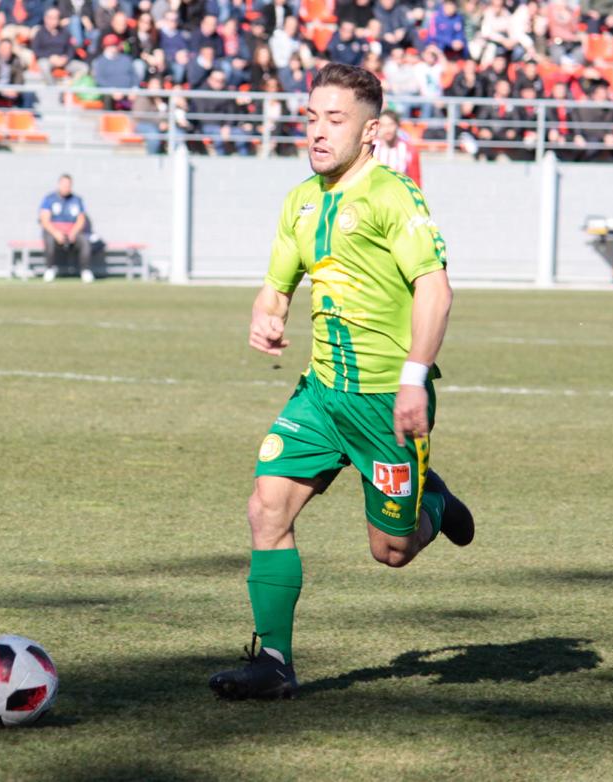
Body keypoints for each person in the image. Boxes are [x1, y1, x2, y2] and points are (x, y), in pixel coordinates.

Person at [207, 63, 474, 701]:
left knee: (391, 552)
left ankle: (432, 502)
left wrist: (414, 381)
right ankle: (274, 661)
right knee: (265, 507)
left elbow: (435, 292)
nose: (319, 132)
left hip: (388, 402)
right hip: (322, 396)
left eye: (336, 119)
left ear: (371, 130)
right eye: (311, 118)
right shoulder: (300, 200)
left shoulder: (394, 196)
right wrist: (267, 318)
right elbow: (276, 288)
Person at [38, 174, 93, 283]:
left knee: (85, 241)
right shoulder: (50, 198)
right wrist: (56, 233)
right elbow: (44, 220)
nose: (66, 187)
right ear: (59, 184)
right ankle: (49, 269)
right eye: (64, 184)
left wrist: (73, 232)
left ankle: (85, 271)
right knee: (49, 240)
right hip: (54, 231)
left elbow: (81, 219)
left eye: (68, 185)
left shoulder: (77, 199)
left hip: (72, 231)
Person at [372, 108, 421, 185]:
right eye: (383, 125)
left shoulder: (409, 150)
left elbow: (416, 181)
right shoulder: (371, 148)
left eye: (391, 124)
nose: (387, 129)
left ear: (397, 125)